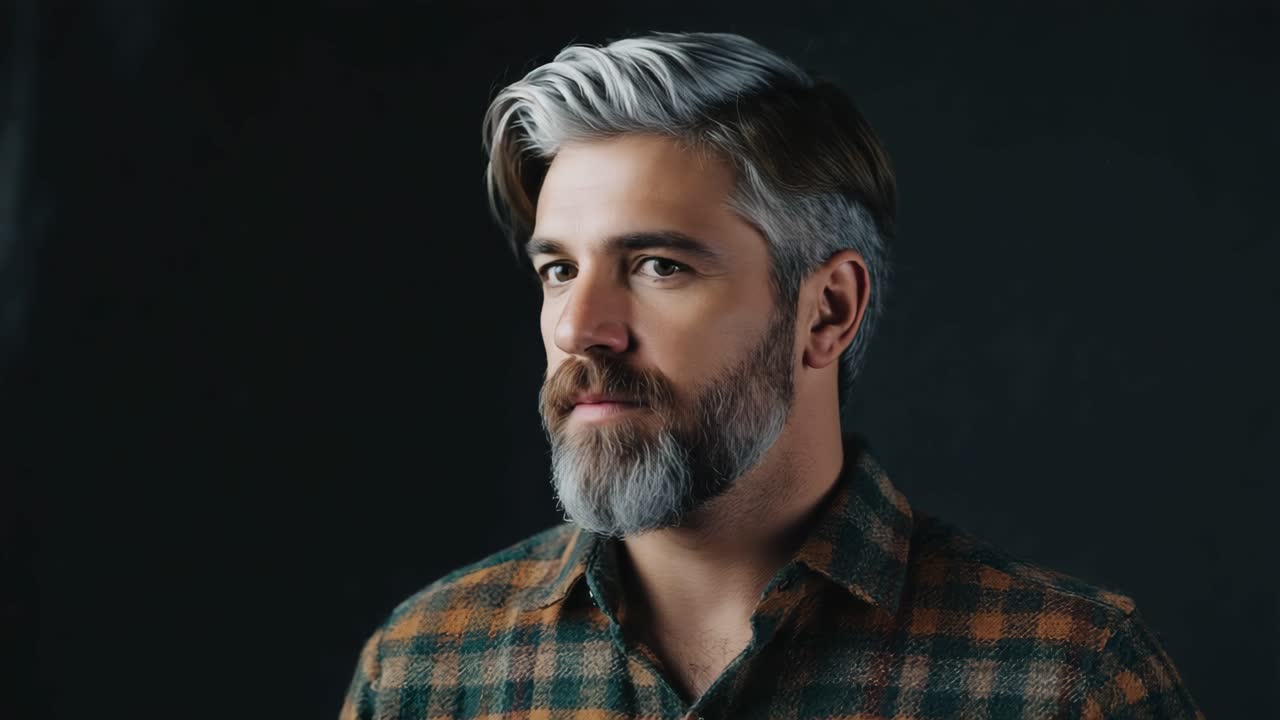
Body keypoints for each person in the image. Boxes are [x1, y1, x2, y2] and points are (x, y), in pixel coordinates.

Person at [339, 31, 1202, 719]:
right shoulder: (427, 670)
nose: (578, 328)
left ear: (827, 311)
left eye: (658, 266)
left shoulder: (1065, 680)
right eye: (559, 270)